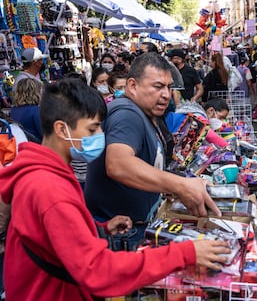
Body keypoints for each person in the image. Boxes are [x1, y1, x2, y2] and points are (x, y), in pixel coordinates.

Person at [0, 79, 230, 300]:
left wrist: (98, 229)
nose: (100, 135)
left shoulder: (43, 172)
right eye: (92, 129)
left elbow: (51, 237)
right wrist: (185, 253)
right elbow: (98, 271)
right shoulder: (49, 189)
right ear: (61, 129)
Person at [85, 53, 221, 250]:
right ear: (132, 86)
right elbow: (118, 164)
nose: (166, 94)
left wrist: (174, 184)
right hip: (121, 234)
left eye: (168, 87)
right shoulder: (127, 113)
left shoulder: (147, 114)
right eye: (158, 87)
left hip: (135, 229)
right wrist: (180, 185)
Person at [10, 78, 43, 142]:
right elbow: (44, 135)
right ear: (36, 92)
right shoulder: (36, 111)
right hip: (35, 146)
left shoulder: (13, 110)